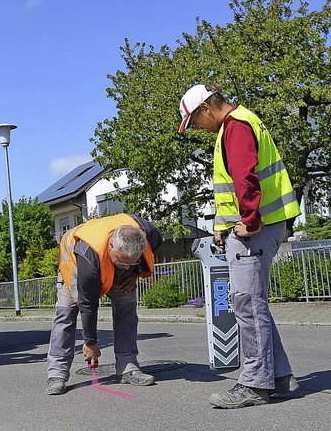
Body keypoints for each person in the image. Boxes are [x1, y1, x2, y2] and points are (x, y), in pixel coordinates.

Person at [178, 84, 302, 409]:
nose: (196, 128)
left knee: (247, 303)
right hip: (263, 225)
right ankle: (279, 376)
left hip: (255, 229)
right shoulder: (241, 122)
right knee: (254, 302)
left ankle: (254, 384)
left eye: (194, 121)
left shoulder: (235, 127)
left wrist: (249, 219)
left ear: (206, 109)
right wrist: (223, 225)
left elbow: (245, 178)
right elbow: (233, 185)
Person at [46, 213, 162, 395]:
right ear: (111, 246)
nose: (126, 266)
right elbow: (88, 304)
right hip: (75, 266)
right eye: (123, 261)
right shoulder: (88, 257)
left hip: (117, 275)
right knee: (66, 316)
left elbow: (152, 251)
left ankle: (128, 367)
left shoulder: (149, 233)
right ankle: (57, 374)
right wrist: (90, 343)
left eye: (133, 262)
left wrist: (135, 273)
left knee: (127, 312)